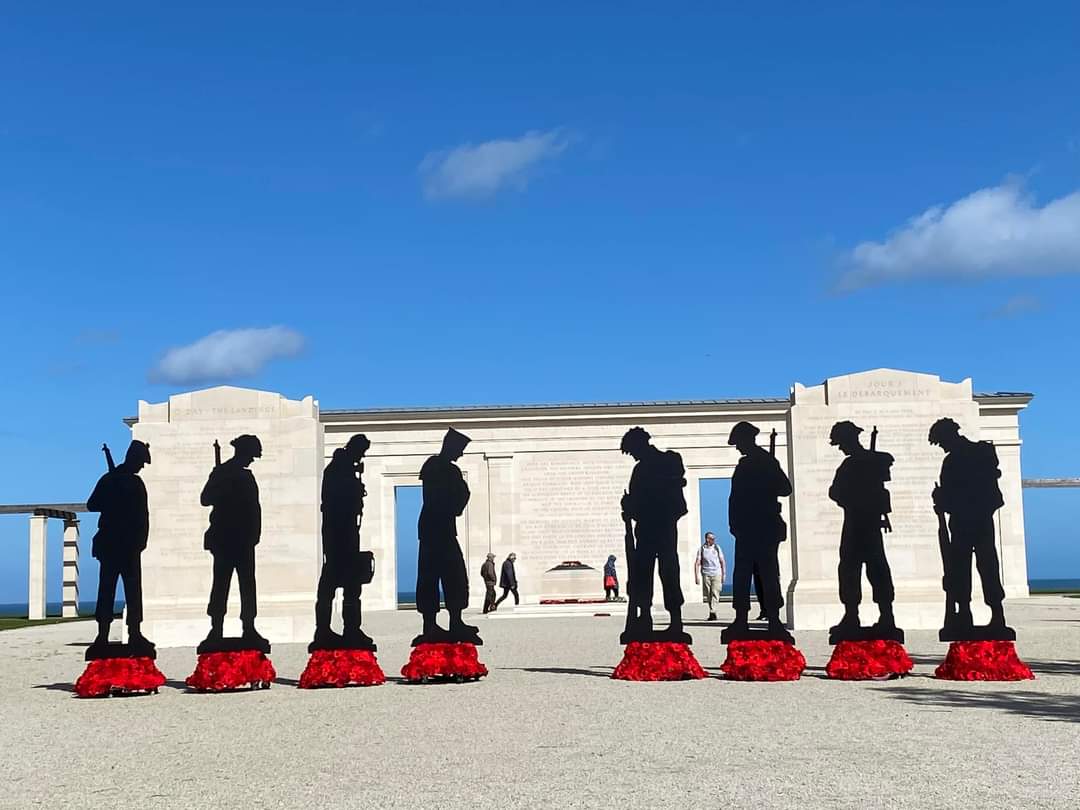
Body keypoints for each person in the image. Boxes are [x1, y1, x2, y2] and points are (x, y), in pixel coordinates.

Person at [930, 417, 1009, 633]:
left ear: (949, 436)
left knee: (980, 566)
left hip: (972, 519)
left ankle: (988, 612)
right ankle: (972, 612)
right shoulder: (977, 453)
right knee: (966, 567)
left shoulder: (975, 454)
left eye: (941, 442)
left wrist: (941, 499)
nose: (942, 447)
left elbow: (981, 488)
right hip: (970, 519)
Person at [827, 421, 898, 636]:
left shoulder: (866, 462)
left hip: (863, 522)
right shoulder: (855, 464)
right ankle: (854, 614)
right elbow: (835, 492)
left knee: (871, 568)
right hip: (858, 521)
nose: (841, 448)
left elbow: (882, 483)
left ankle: (884, 615)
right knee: (853, 568)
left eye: (842, 443)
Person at [620, 426, 689, 641]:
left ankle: (674, 620)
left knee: (668, 572)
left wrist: (631, 506)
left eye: (632, 451)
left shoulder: (669, 460)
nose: (633, 456)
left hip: (661, 526)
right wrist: (629, 506)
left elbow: (673, 486)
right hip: (650, 527)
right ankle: (646, 618)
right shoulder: (646, 467)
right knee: (644, 574)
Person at [725, 421, 793, 642]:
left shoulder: (767, 462)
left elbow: (785, 489)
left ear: (747, 440)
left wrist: (768, 482)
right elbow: (734, 498)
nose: (737, 447)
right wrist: (734, 524)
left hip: (763, 526)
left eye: (738, 443)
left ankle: (773, 618)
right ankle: (741, 618)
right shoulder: (747, 464)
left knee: (768, 574)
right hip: (746, 528)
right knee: (742, 574)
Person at [200, 434, 268, 651]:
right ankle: (216, 628)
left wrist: (255, 535)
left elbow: (255, 508)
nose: (252, 460)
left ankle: (249, 626)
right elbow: (205, 499)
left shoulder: (246, 476)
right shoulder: (222, 473)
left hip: (245, 539)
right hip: (224, 538)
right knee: (221, 585)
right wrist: (221, 486)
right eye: (251, 455)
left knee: (248, 585)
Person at [86, 440, 154, 653]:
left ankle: (134, 633)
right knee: (109, 590)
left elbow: (143, 516)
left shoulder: (125, 481)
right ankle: (103, 634)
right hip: (115, 544)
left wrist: (141, 542)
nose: (141, 467)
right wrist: (111, 497)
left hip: (125, 545)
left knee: (130, 591)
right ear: (133, 458)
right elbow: (92, 504)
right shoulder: (112, 480)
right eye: (141, 462)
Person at [416, 428, 479, 643]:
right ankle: (433, 624)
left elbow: (459, 495)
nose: (461, 454)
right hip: (437, 529)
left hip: (436, 529)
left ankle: (452, 622)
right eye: (460, 449)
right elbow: (453, 497)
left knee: (452, 575)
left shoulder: (440, 467)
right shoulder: (441, 468)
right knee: (437, 575)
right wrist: (459, 496)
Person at [313, 434, 375, 649]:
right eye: (361, 452)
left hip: (345, 530)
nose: (362, 456)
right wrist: (355, 487)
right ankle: (326, 630)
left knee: (351, 583)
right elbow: (338, 499)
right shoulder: (338, 469)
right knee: (335, 581)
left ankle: (350, 628)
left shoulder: (343, 468)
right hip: (339, 532)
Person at [694, 531, 727, 621]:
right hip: (706, 573)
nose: (713, 540)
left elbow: (722, 561)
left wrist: (724, 574)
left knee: (715, 592)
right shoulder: (701, 549)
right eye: (711, 538)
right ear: (707, 539)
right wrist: (696, 576)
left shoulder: (717, 548)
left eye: (714, 538)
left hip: (717, 573)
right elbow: (697, 563)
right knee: (708, 594)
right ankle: (712, 610)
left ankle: (712, 612)